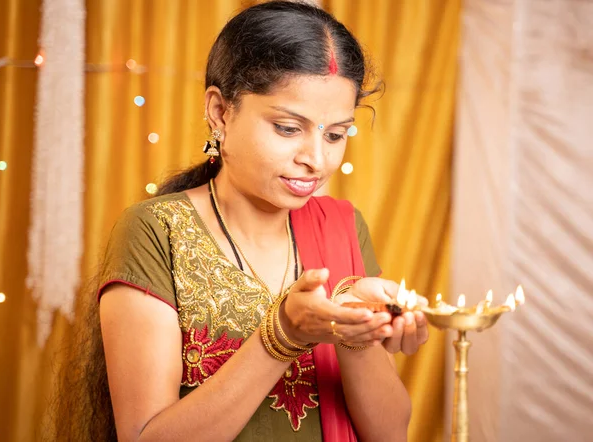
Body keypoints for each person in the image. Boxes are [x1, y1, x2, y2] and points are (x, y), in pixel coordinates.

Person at [59, 2, 430, 441]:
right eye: (289, 128)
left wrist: (353, 327)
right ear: (219, 112)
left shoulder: (342, 226)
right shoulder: (157, 231)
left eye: (335, 135)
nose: (316, 159)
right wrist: (283, 334)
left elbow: (389, 433)